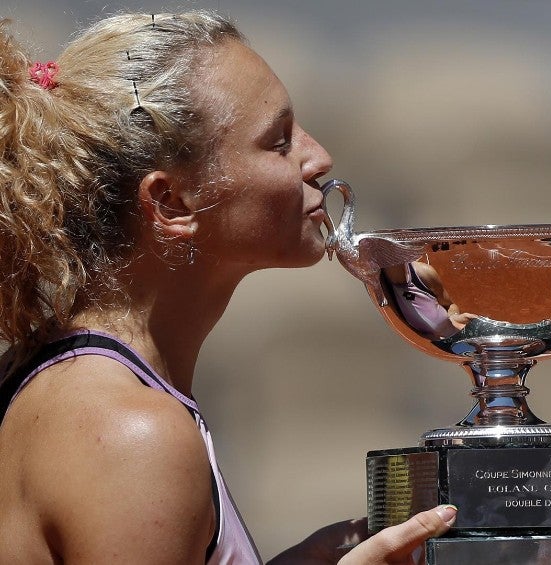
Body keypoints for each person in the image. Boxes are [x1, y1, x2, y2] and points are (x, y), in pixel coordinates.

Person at [0, 11, 455, 563]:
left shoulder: (73, 384)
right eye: (279, 141)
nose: (320, 159)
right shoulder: (132, 433)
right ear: (171, 203)